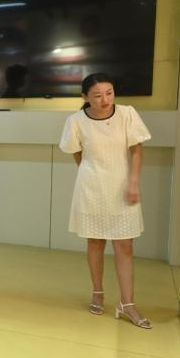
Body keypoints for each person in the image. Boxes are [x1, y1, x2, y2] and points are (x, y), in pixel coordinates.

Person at [59, 73, 152, 329]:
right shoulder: (76, 121)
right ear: (85, 97)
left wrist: (133, 182)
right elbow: (76, 152)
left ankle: (128, 304)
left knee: (125, 246)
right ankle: (97, 293)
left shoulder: (127, 114)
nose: (105, 99)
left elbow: (137, 149)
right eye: (98, 95)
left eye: (109, 93)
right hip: (91, 187)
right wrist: (90, 173)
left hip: (123, 186)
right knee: (95, 242)